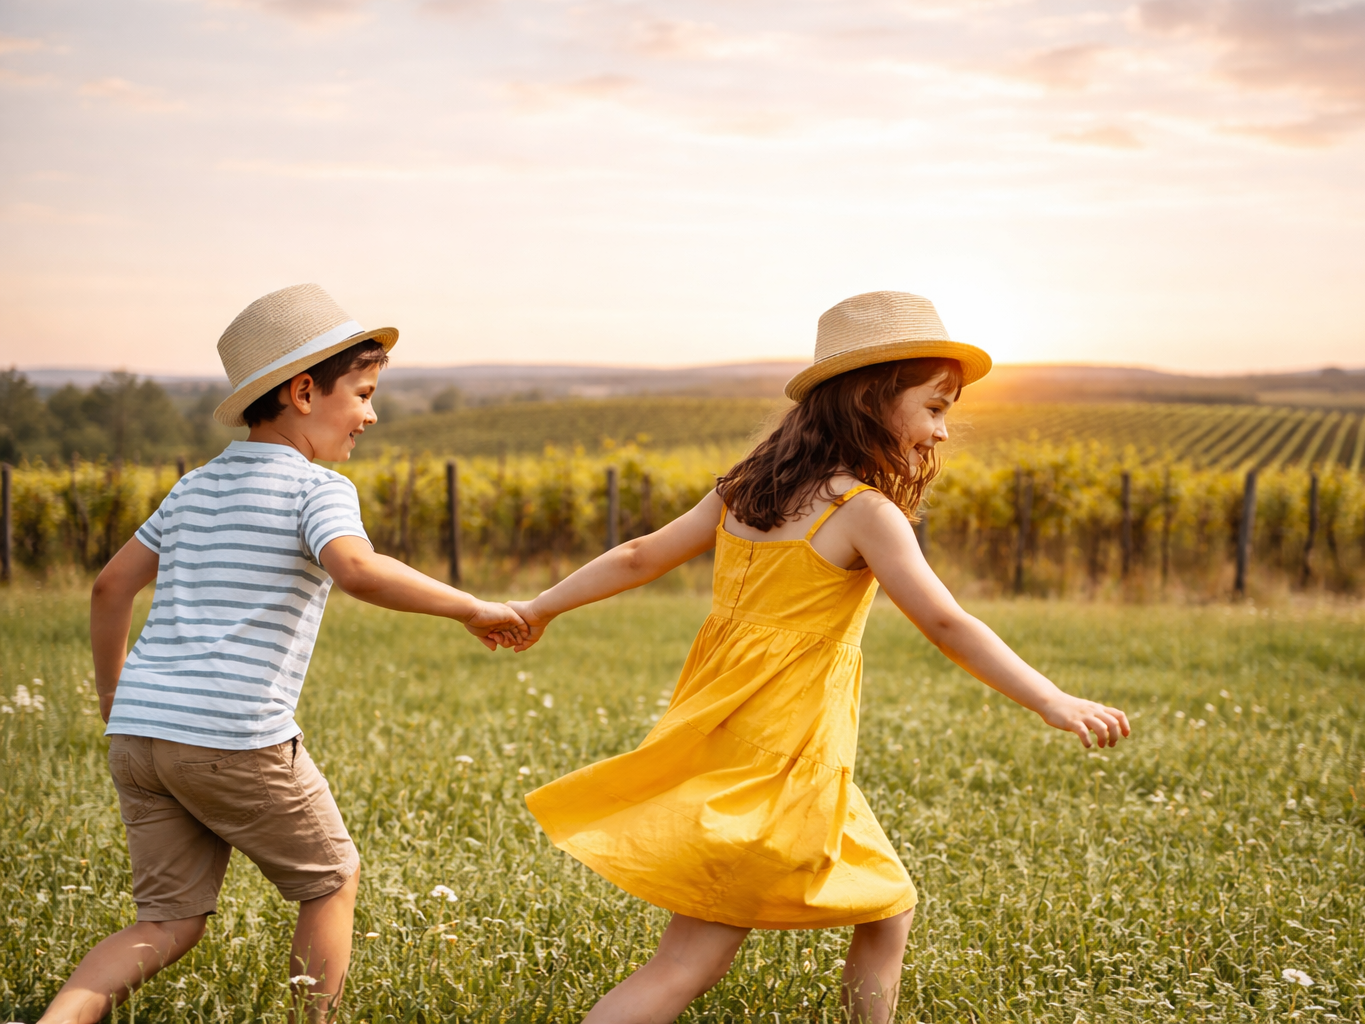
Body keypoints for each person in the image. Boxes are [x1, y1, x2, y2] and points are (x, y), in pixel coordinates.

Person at [497, 291, 1131, 1024]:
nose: (943, 430)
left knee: (888, 905)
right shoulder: (863, 512)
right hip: (779, 764)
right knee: (684, 965)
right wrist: (1052, 699)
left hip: (746, 750)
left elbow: (639, 556)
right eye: (934, 407)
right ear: (871, 402)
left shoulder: (746, 491)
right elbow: (947, 622)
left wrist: (541, 607)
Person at [40, 284, 524, 1024]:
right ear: (303, 392)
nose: (370, 414)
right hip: (235, 736)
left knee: (167, 921)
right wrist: (471, 605)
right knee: (330, 881)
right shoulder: (317, 489)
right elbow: (357, 569)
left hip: (140, 736)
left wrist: (117, 700)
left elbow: (110, 589)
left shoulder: (193, 486)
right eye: (361, 394)